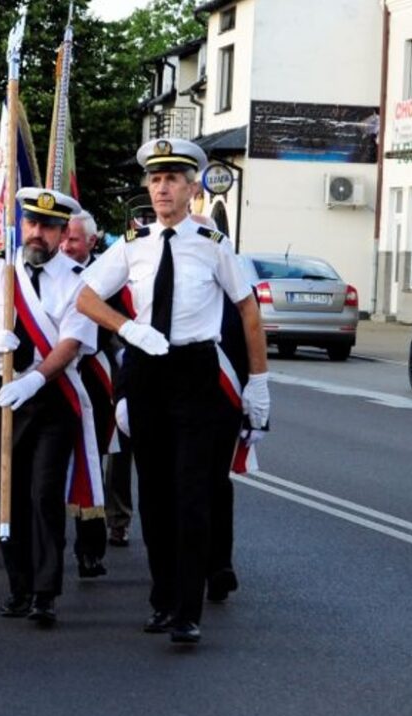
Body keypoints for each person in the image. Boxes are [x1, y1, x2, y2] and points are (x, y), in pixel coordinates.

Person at [76, 137, 270, 645]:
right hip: (147, 369)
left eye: (173, 180)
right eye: (155, 179)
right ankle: (162, 600)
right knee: (155, 495)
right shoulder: (131, 244)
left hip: (197, 371)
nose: (162, 188)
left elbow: (248, 310)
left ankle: (188, 609)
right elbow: (85, 297)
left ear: (191, 189)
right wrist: (128, 329)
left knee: (192, 494)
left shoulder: (213, 245)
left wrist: (260, 383)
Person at [0, 187, 98, 627]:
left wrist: (36, 378)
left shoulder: (78, 282)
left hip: (50, 394)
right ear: (22, 225)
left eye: (49, 227)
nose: (38, 234)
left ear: (62, 232)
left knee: (43, 494)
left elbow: (72, 342)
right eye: (33, 224)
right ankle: (18, 585)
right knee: (8, 493)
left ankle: (45, 590)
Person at [58, 209, 118, 578]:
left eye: (74, 240)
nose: (65, 246)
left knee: (90, 461)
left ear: (92, 242)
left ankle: (90, 549)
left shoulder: (107, 276)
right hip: (50, 376)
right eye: (62, 238)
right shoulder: (44, 273)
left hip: (91, 375)